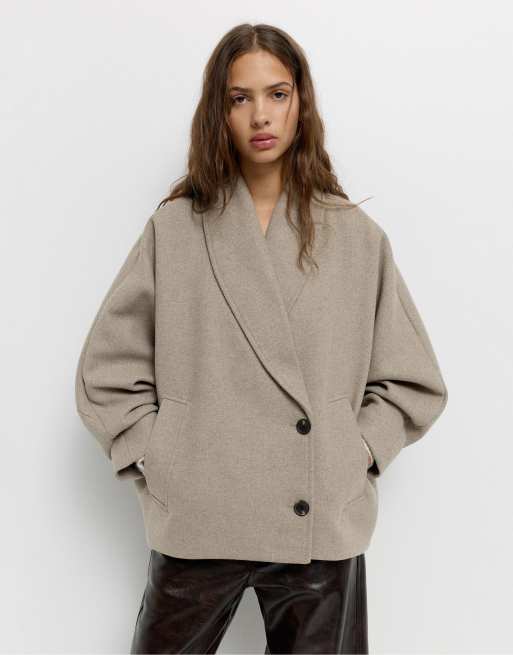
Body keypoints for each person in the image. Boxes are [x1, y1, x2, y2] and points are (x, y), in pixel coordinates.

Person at [74, 22, 448, 654]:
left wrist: (351, 451)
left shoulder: (356, 238)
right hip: (199, 516)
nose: (261, 116)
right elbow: (106, 372)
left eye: (277, 94)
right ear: (218, 113)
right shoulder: (177, 230)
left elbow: (413, 382)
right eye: (239, 98)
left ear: (302, 102)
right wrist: (162, 458)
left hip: (316, 522)